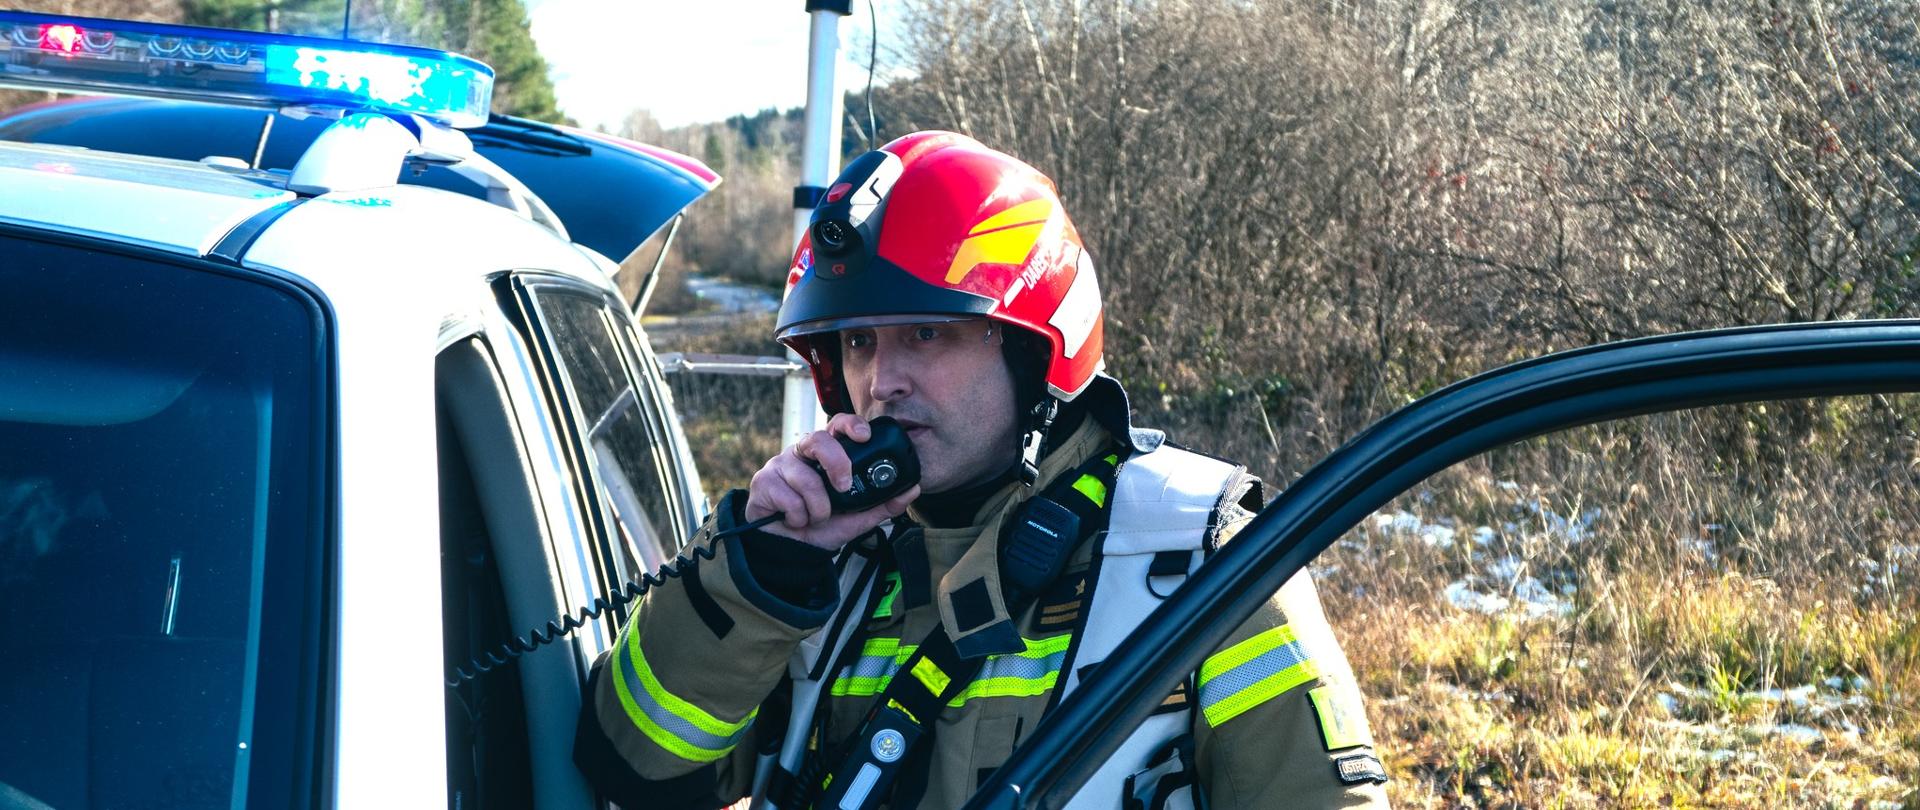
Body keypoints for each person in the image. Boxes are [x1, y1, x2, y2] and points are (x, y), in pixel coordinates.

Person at [573, 131, 1390, 809]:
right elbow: (631, 768)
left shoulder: (1202, 559)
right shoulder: (821, 563)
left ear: (1036, 350)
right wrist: (757, 582)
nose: (879, 380)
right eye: (858, 341)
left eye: (926, 334)